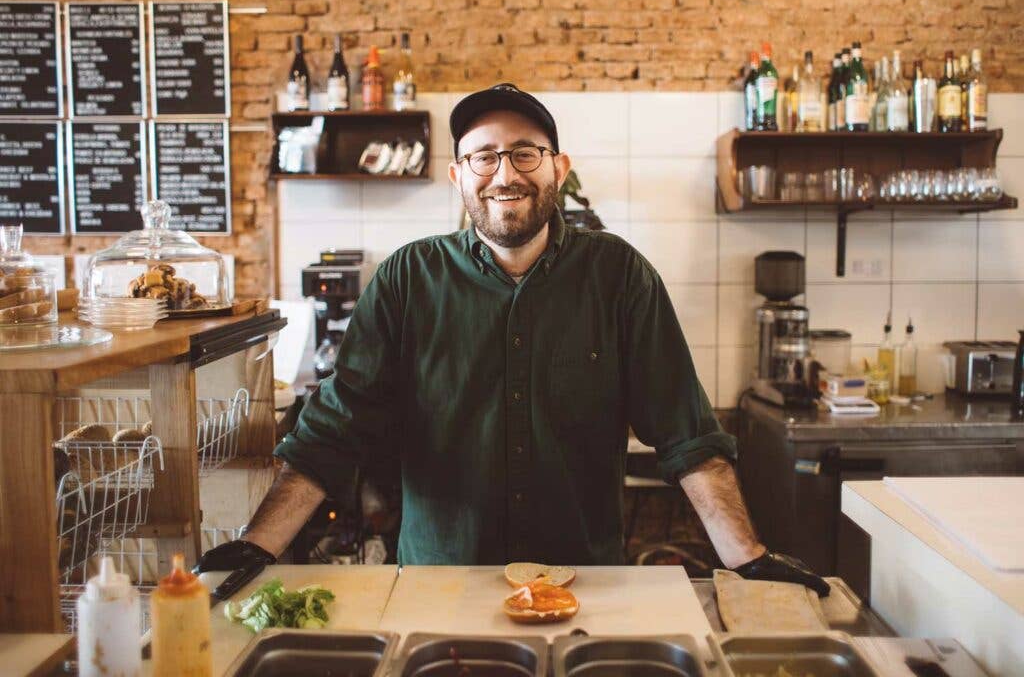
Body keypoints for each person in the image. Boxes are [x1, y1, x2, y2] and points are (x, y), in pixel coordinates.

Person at [197, 83, 828, 596]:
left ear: (559, 168)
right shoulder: (407, 280)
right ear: (457, 175)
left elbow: (688, 435)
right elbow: (332, 430)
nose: (505, 173)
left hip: (585, 587)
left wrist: (747, 559)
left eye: (525, 153)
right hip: (437, 589)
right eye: (484, 155)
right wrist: (259, 545)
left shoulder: (620, 277)